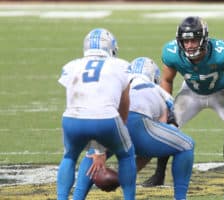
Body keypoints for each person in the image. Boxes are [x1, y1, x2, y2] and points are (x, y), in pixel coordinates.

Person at [73, 57, 195, 200]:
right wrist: (123, 176)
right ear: (153, 77)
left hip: (109, 124)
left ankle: (77, 197)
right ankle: (180, 198)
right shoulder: (160, 92)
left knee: (92, 155)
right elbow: (160, 136)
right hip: (138, 124)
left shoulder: (116, 83)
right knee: (186, 145)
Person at [143, 15, 224, 187]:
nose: (189, 45)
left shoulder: (221, 53)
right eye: (185, 41)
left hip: (221, 92)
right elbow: (167, 80)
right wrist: (167, 106)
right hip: (191, 92)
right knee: (166, 127)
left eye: (194, 40)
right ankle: (159, 173)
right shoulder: (172, 53)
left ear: (204, 39)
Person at [56, 28, 136, 200]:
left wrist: (97, 149)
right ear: (111, 48)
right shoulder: (122, 66)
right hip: (106, 118)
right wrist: (105, 145)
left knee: (69, 156)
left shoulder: (71, 66)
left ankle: (61, 198)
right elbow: (124, 104)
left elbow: (75, 98)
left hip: (71, 118)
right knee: (126, 154)